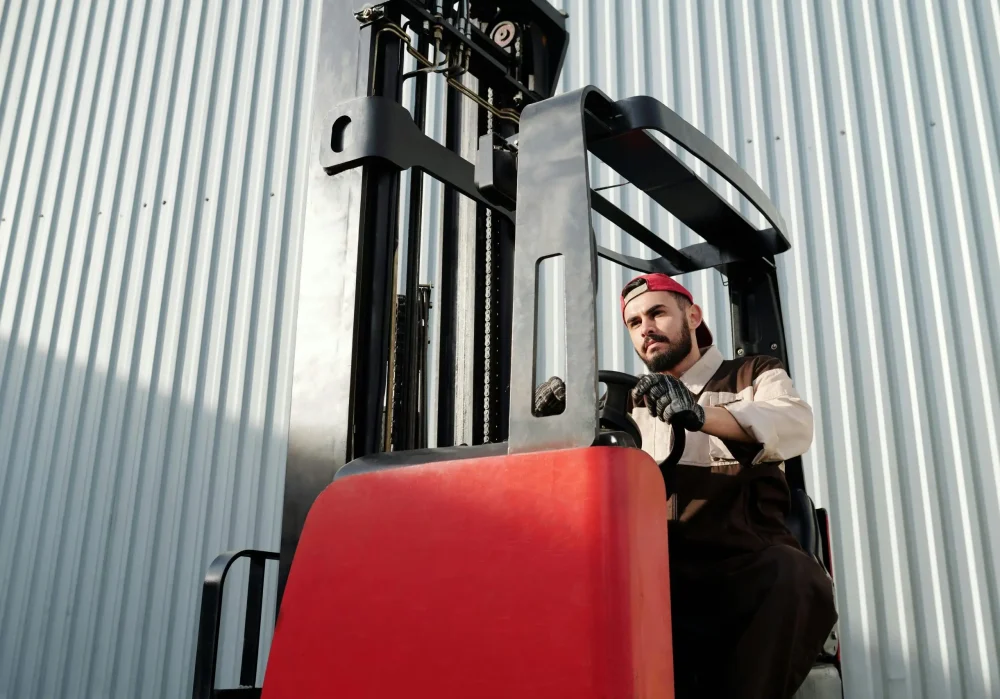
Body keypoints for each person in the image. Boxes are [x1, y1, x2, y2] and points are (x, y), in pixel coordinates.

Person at [533, 272, 838, 699]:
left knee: (795, 576)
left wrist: (699, 414)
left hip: (739, 571)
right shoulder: (626, 404)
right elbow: (578, 484)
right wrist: (552, 424)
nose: (646, 329)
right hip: (657, 580)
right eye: (635, 323)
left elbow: (793, 423)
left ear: (692, 316)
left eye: (657, 313)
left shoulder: (751, 375)